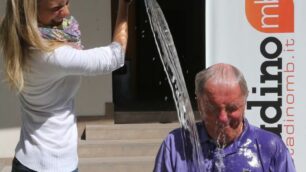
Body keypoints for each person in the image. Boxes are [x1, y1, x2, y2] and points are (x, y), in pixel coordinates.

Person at [0, 0, 132, 171]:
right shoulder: (53, 55)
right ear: (30, 13)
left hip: (27, 160)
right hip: (53, 165)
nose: (66, 12)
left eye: (66, 2)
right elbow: (115, 57)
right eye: (56, 8)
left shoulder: (17, 34)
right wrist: (123, 7)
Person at [153, 63, 296, 172]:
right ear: (199, 104)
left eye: (232, 108)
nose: (222, 118)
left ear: (244, 102)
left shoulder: (270, 147)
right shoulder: (176, 145)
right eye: (213, 108)